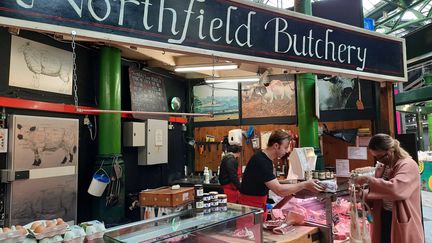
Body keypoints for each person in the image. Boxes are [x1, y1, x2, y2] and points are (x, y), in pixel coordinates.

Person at [354, 133, 424, 243]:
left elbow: (396, 189)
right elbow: (381, 193)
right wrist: (362, 194)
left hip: (400, 218)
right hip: (384, 217)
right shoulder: (382, 167)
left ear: (391, 150)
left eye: (380, 156)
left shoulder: (408, 165)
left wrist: (369, 180)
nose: (379, 160)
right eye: (375, 157)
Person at [239, 129, 323, 219]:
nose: (287, 151)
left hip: (257, 206)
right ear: (276, 145)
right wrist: (304, 185)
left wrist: (293, 184)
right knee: (250, 232)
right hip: (251, 208)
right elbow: (279, 190)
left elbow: (272, 183)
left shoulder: (265, 159)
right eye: (285, 147)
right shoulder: (261, 161)